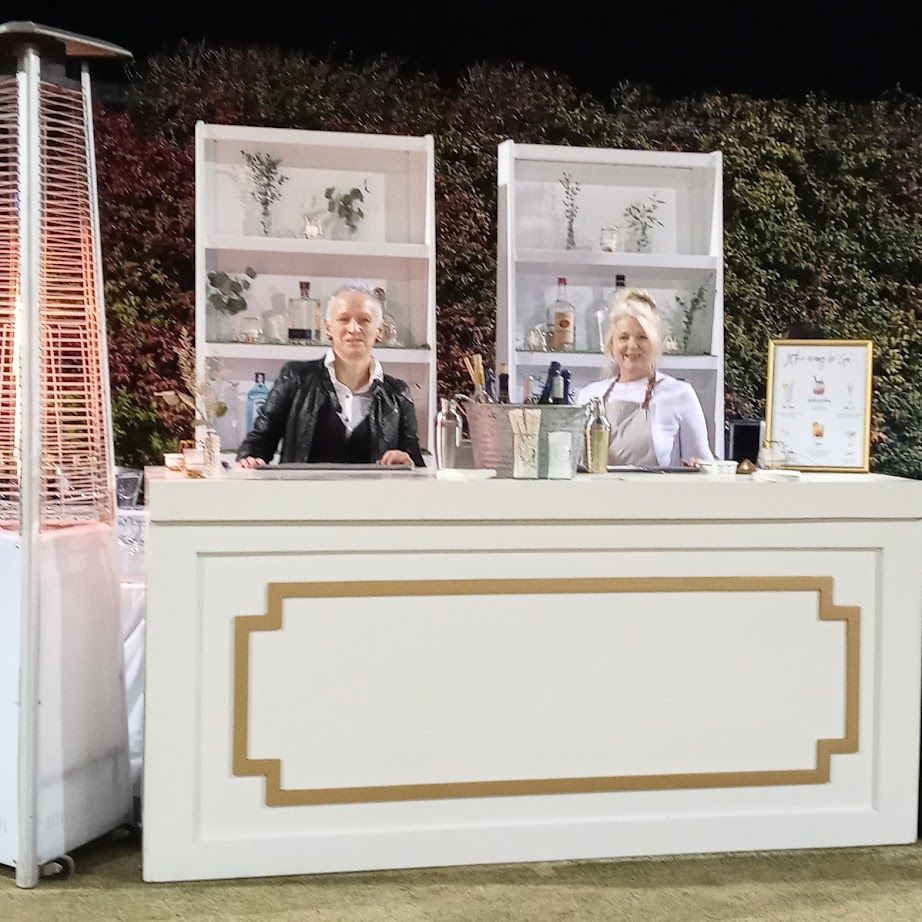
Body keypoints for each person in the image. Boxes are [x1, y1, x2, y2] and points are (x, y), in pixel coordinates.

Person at [236, 283, 424, 468]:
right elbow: (259, 442)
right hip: (301, 497)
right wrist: (250, 459)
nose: (354, 328)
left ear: (380, 331)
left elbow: (415, 462)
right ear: (327, 328)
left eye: (364, 320)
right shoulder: (295, 378)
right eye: (343, 319)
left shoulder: (398, 393)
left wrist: (406, 461)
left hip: (373, 498)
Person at [577, 287, 713, 467]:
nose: (632, 345)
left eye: (642, 337)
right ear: (611, 345)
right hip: (596, 495)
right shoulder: (589, 396)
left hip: (658, 495)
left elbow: (704, 466)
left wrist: (699, 466)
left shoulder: (679, 394)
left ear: (655, 343)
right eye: (623, 337)